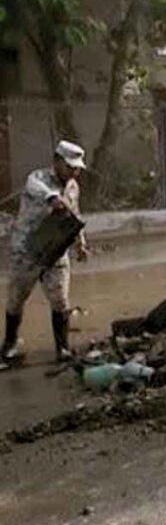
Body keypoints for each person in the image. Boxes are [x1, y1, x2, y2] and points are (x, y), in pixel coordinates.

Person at [2, 141, 89, 365]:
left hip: (56, 252)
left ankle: (63, 348)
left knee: (60, 300)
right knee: (16, 300)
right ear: (57, 161)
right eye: (70, 167)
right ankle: (10, 344)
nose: (74, 172)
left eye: (77, 168)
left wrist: (80, 243)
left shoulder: (72, 187)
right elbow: (39, 191)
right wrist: (53, 198)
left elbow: (75, 214)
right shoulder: (37, 178)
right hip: (27, 251)